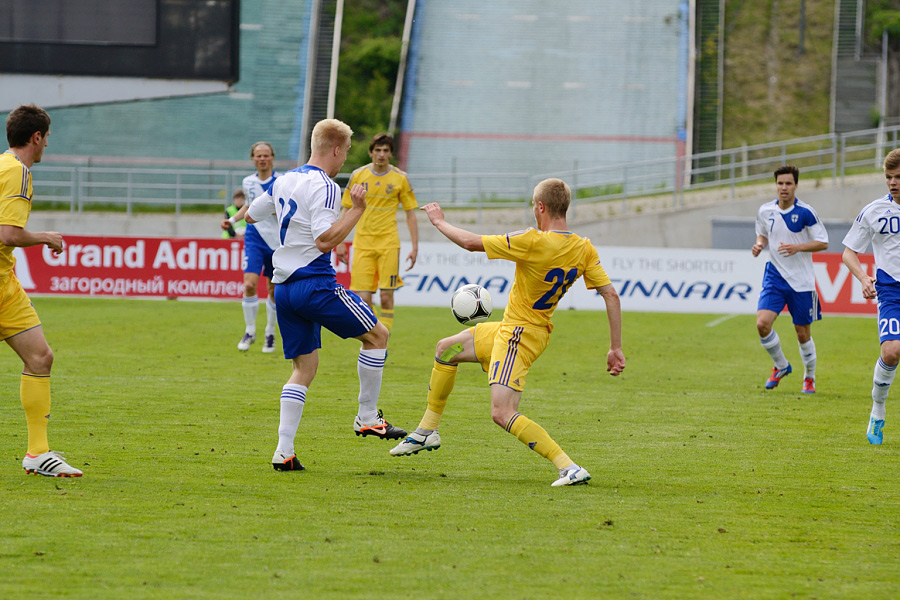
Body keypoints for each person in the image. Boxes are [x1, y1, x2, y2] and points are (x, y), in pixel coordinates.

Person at [390, 178, 625, 487]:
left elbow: (472, 243)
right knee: (446, 349)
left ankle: (568, 466)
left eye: (533, 207)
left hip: (519, 336)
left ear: (540, 207)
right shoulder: (584, 248)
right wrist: (615, 347)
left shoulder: (533, 240)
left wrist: (439, 221)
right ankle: (426, 432)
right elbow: (611, 295)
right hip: (513, 329)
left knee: (502, 412)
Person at [245, 118, 407, 471]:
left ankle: (283, 451)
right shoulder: (328, 186)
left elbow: (251, 215)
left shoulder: (285, 179)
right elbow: (324, 239)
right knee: (378, 335)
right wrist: (357, 210)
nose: (345, 157)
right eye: (346, 151)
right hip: (314, 283)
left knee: (304, 368)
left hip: (284, 288)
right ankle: (367, 416)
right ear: (336, 148)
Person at [1, 104, 81, 477]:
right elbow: (9, 234)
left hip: (6, 284)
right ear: (37, 137)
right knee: (40, 358)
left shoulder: (2, 165)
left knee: (40, 358)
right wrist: (46, 237)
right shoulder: (18, 172)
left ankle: (37, 452)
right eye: (46, 138)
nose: (47, 144)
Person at [751, 165, 828, 393]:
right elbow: (763, 234)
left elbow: (823, 242)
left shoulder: (806, 212)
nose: (784, 188)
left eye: (788, 183)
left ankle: (809, 377)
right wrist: (759, 245)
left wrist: (798, 247)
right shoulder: (765, 211)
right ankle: (781, 365)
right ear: (775, 185)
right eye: (780, 183)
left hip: (801, 282)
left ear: (796, 185)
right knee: (762, 324)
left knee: (802, 333)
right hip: (775, 276)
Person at [841, 148, 900, 445]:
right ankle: (877, 411)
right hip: (891, 290)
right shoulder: (874, 211)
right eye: (889, 177)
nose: (893, 182)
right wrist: (864, 277)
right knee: (890, 352)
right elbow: (849, 252)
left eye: (898, 177)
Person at [334, 133, 418, 333]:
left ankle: (384, 339)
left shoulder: (401, 178)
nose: (381, 154)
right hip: (362, 243)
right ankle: (373, 337)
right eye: (378, 150)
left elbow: (410, 214)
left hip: (388, 244)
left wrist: (415, 247)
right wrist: (339, 241)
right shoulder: (358, 175)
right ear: (371, 152)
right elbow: (345, 209)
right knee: (363, 298)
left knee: (387, 296)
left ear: (390, 154)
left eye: (386, 151)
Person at [221, 142, 281, 353]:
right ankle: (250, 331)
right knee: (249, 284)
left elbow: (283, 207)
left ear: (272, 157)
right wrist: (233, 219)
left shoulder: (281, 181)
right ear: (253, 159)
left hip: (276, 241)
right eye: (258, 155)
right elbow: (249, 205)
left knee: (274, 289)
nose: (262, 159)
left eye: (266, 155)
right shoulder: (248, 182)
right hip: (254, 237)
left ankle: (270, 333)